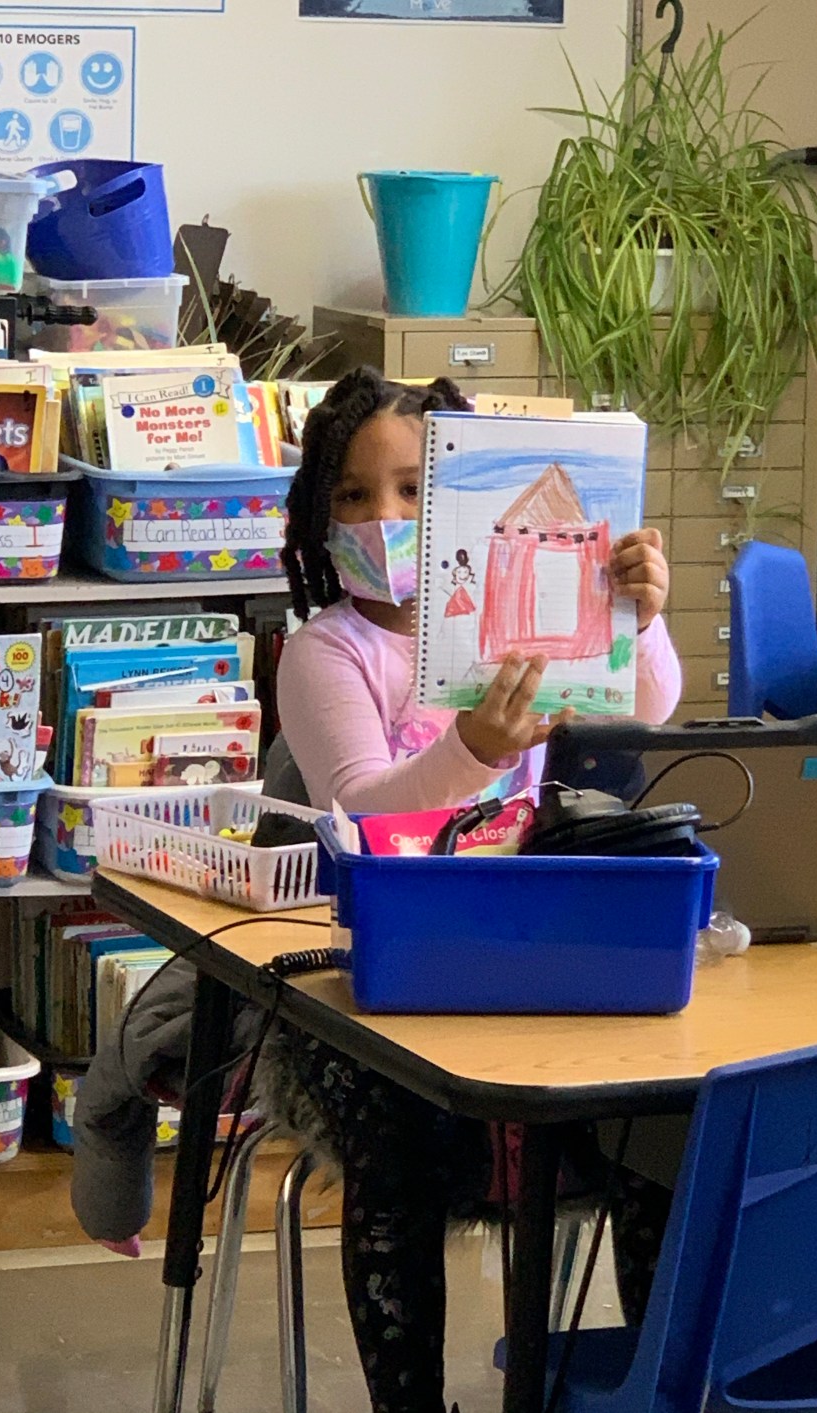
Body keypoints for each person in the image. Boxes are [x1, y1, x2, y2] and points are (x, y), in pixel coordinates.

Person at [273, 366, 682, 1413]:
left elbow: (641, 712)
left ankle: (653, 1387)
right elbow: (364, 807)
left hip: (534, 948)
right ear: (317, 516)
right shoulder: (326, 652)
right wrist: (471, 751)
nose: (384, 516)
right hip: (387, 969)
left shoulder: (523, 609)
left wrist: (638, 619)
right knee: (397, 1138)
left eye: (414, 488)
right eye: (352, 494)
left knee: (664, 1116)